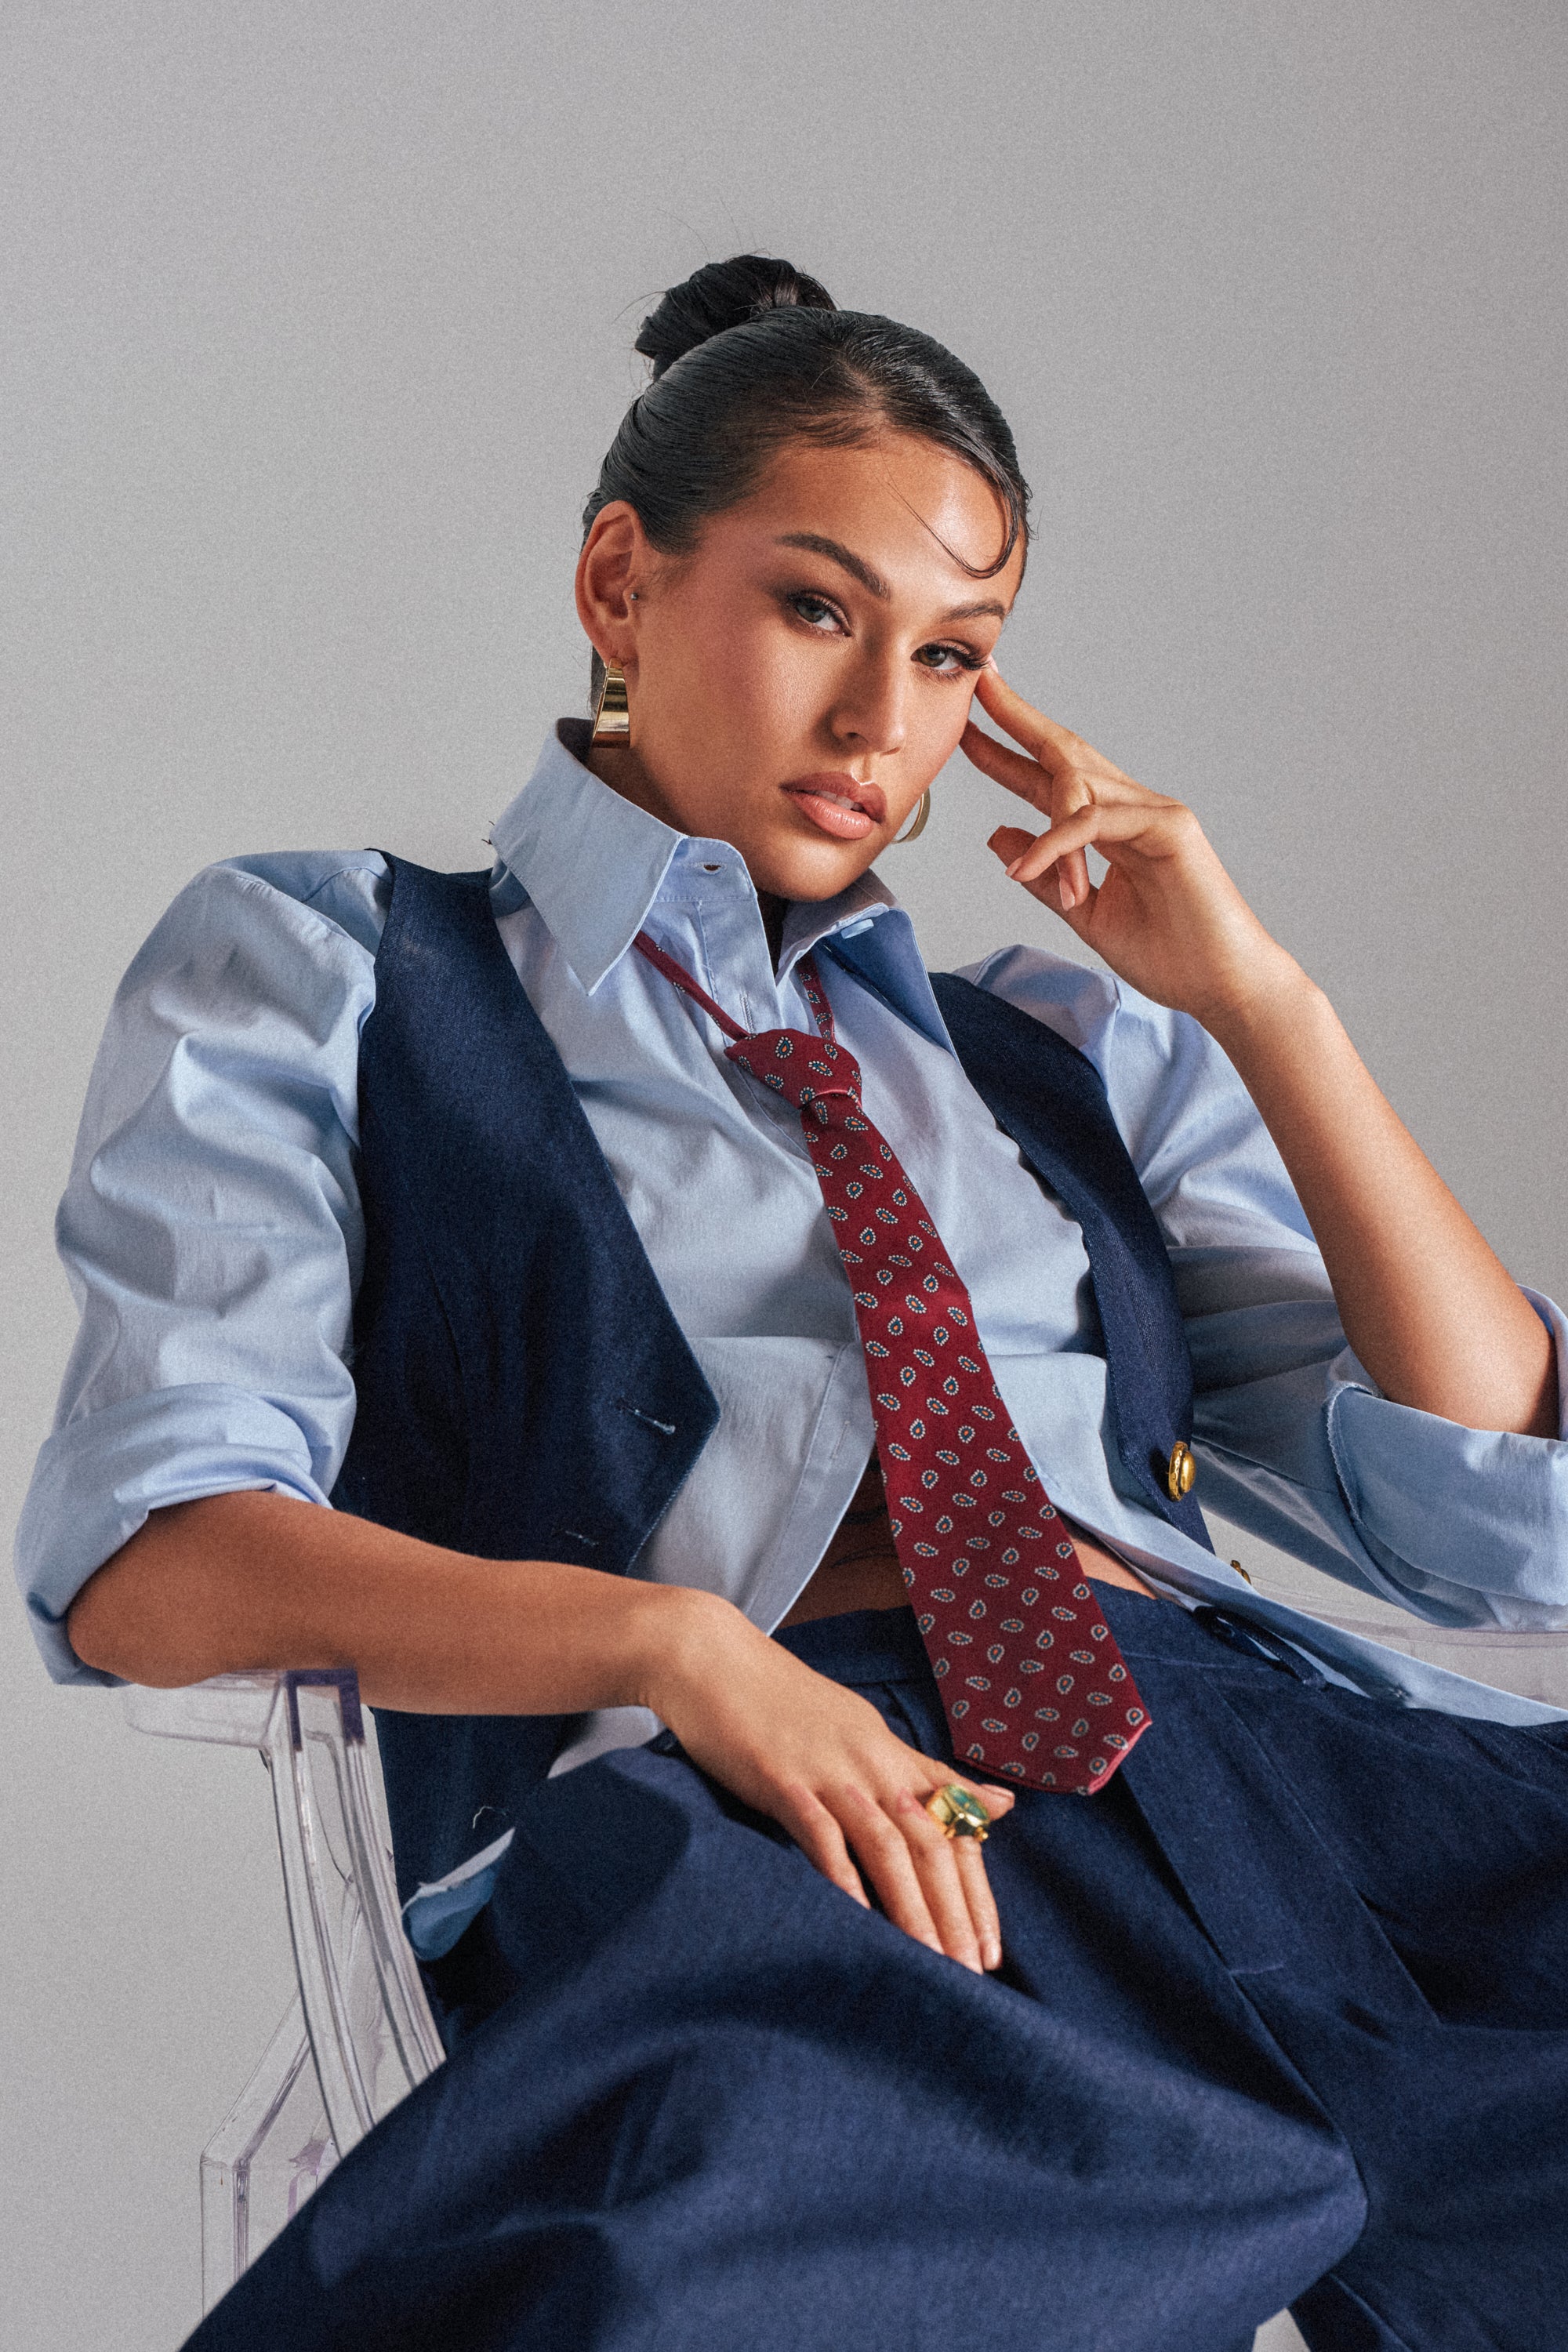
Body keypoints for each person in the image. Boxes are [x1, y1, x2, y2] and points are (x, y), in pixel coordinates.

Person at [16, 255, 1568, 2352]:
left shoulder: (1064, 1053)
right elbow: (153, 1563)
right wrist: (678, 1648)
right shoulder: (338, 970)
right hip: (813, 1809)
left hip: (1278, 1771)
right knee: (679, 2276)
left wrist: (1270, 1008)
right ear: (617, 581)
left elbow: (1495, 1523)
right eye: (819, 609)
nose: (882, 726)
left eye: (955, 659)